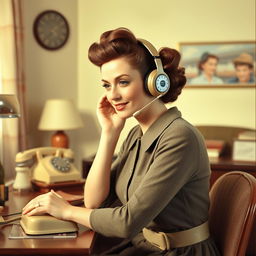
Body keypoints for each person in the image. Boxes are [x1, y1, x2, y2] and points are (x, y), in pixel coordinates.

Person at [22, 28, 220, 256]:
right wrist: (109, 134)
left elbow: (127, 222)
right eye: (106, 85)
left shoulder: (179, 137)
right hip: (144, 247)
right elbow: (94, 201)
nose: (112, 95)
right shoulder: (136, 134)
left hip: (181, 252)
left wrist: (65, 211)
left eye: (123, 82)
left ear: (154, 82)